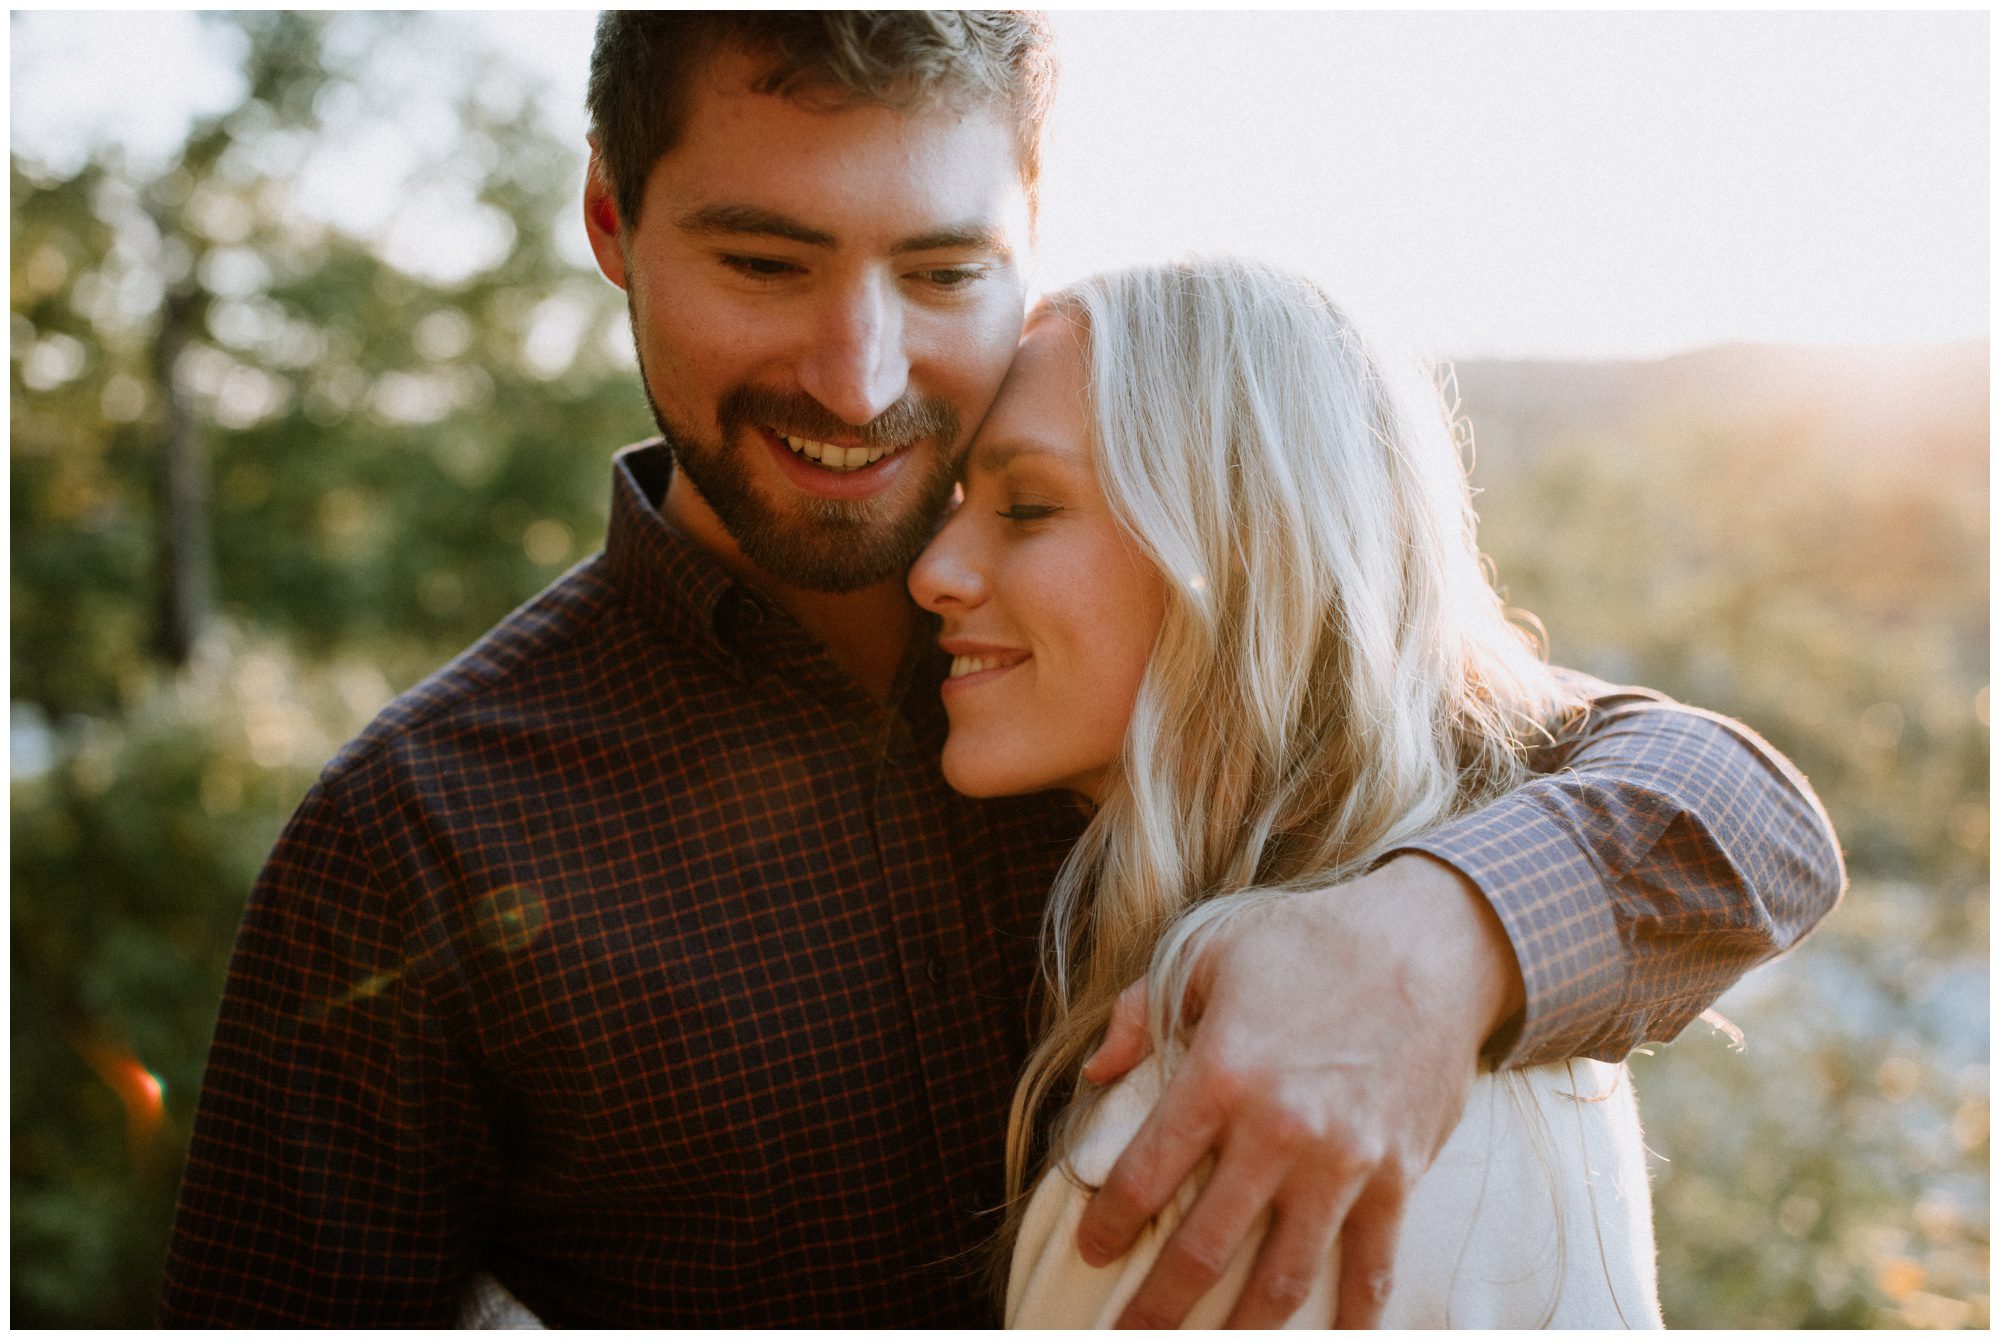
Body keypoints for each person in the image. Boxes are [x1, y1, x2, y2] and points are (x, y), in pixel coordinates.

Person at [159, 12, 1842, 1328]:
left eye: (945, 270)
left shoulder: (1158, 653)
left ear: (1031, 228)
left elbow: (1752, 821)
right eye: (765, 262)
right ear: (613, 216)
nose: (858, 373)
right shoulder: (416, 838)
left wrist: (1434, 937)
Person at [909, 258, 1668, 1326]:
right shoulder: (1484, 1017)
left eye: (1026, 505)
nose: (932, 568)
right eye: (955, 503)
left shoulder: (1253, 1096)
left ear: (1242, 553)